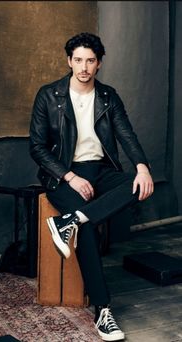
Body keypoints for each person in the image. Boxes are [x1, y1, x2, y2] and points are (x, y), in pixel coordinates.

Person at [29, 32, 154, 341]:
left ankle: (71, 220)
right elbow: (37, 147)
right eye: (78, 60)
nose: (84, 67)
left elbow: (126, 134)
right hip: (62, 175)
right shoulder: (49, 95)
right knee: (87, 230)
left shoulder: (109, 96)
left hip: (101, 170)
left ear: (99, 64)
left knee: (137, 184)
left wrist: (142, 167)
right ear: (69, 61)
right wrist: (69, 176)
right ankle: (103, 309)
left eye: (90, 61)